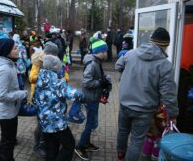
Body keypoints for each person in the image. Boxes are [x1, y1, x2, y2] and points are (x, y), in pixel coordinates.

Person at [115, 27, 179, 161]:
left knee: (123, 132)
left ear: (151, 41)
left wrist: (127, 78)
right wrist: (173, 115)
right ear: (165, 46)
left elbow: (118, 66)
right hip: (144, 110)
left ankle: (120, 155)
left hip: (125, 103)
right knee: (136, 141)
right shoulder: (165, 65)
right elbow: (168, 94)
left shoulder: (131, 53)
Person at [33, 54, 85, 161]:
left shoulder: (39, 79)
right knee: (69, 145)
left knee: (51, 148)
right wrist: (82, 94)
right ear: (56, 67)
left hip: (44, 121)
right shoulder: (57, 82)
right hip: (57, 122)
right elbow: (73, 94)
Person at [0, 38, 28, 161]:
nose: (18, 50)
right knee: (8, 142)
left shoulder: (8, 64)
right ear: (7, 51)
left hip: (9, 111)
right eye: (15, 48)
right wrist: (21, 94)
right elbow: (0, 96)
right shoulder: (4, 69)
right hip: (6, 114)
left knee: (7, 141)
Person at [75, 40, 110, 161]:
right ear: (99, 52)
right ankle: (79, 146)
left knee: (91, 122)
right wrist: (100, 82)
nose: (106, 53)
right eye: (104, 51)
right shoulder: (92, 64)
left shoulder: (97, 62)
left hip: (93, 97)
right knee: (90, 123)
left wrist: (104, 79)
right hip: (90, 98)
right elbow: (86, 82)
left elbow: (95, 78)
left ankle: (86, 143)